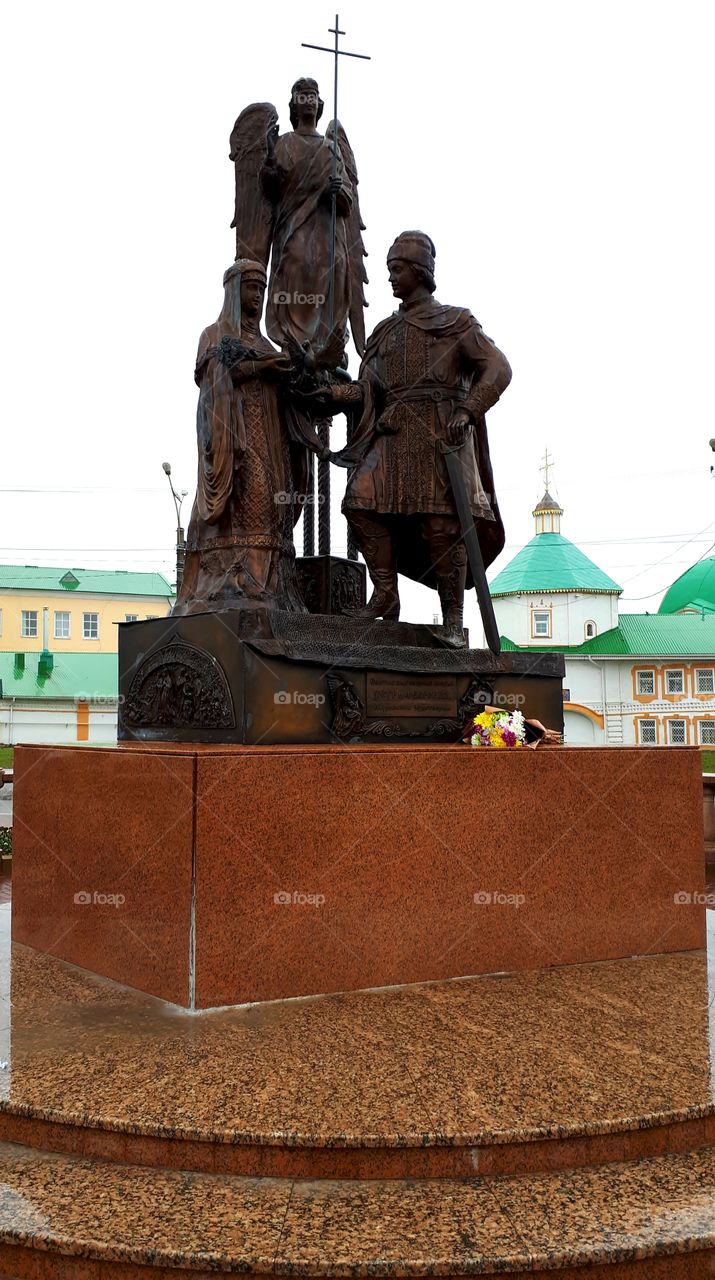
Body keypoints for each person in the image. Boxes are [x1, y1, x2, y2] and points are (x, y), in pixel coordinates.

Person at [323, 231, 512, 646]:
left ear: (420, 271)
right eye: (389, 269)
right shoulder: (385, 332)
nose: (390, 278)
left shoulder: (455, 323)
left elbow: (498, 368)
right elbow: (368, 390)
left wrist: (468, 409)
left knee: (442, 527)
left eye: (396, 269)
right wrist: (333, 394)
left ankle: (452, 622)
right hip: (393, 436)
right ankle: (386, 595)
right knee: (360, 502)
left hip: (441, 436)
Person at [174, 259, 323, 615]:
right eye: (251, 288)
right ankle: (238, 581)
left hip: (271, 437)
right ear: (233, 292)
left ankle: (269, 587)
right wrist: (261, 368)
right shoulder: (213, 334)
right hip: (237, 439)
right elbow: (214, 377)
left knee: (274, 503)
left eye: (261, 289)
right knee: (250, 496)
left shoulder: (269, 343)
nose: (257, 295)